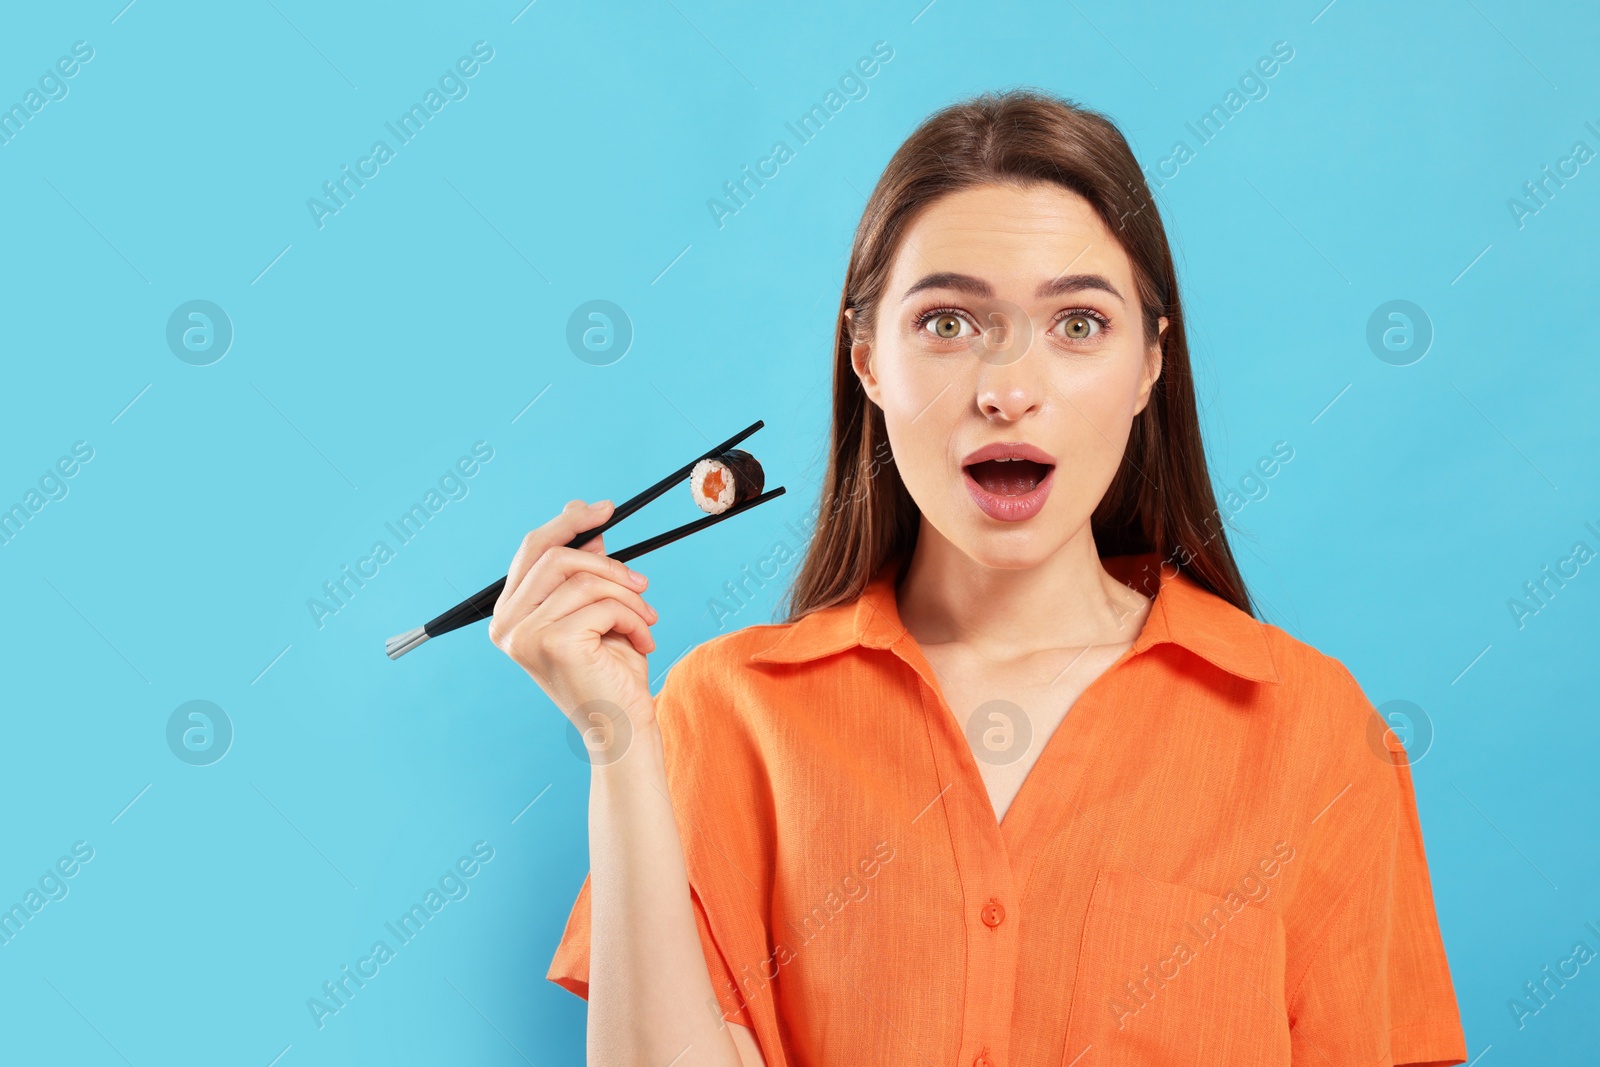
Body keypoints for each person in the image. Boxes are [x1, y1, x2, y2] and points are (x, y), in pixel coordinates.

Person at [492, 89, 1469, 1067]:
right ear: (867, 358)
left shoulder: (1313, 729)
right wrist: (614, 735)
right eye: (949, 322)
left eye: (1077, 323)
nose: (1007, 387)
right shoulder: (730, 713)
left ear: (1147, 367)